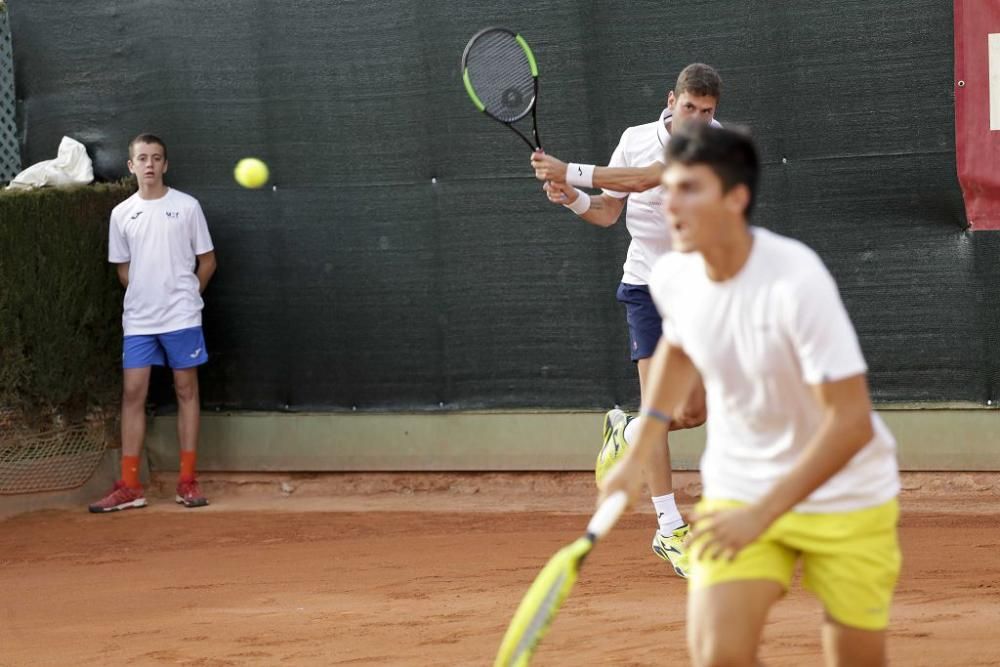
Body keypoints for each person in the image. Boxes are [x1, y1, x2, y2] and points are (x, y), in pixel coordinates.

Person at [600, 124, 901, 666]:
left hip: (844, 490)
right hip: (740, 485)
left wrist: (762, 515)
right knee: (720, 653)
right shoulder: (671, 275)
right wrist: (641, 442)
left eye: (691, 189)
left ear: (737, 198)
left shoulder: (796, 281)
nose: (672, 204)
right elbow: (678, 351)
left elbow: (851, 424)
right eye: (669, 188)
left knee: (853, 656)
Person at [529, 63, 724, 577]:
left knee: (694, 412)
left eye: (708, 112)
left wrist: (567, 170)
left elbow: (643, 180)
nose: (699, 119)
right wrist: (572, 199)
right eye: (690, 109)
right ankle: (670, 529)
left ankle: (627, 430)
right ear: (671, 101)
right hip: (645, 288)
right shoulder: (634, 139)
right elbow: (609, 212)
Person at [89, 134, 217, 512]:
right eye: (142, 158)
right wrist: (146, 292)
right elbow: (124, 268)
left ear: (165, 165)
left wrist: (190, 296)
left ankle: (187, 482)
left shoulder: (187, 207)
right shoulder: (121, 214)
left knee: (185, 390)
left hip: (182, 316)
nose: (149, 164)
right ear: (131, 166)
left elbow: (207, 261)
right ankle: (129, 486)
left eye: (156, 158)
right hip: (140, 319)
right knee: (132, 392)